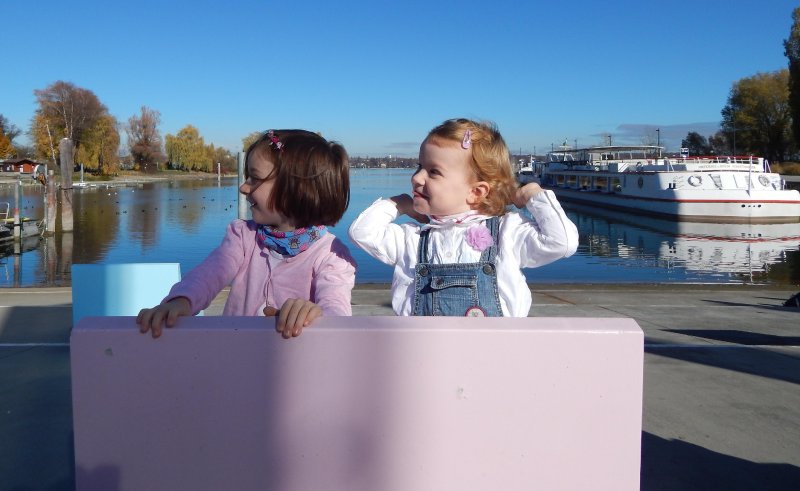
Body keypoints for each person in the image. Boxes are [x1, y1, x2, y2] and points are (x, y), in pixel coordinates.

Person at [137, 129, 356, 339]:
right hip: (234, 355)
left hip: (290, 361)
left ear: (297, 188)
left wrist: (316, 315)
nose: (243, 187)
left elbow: (337, 309)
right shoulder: (243, 236)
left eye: (255, 178)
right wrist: (181, 301)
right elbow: (209, 274)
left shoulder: (331, 255)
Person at [348, 118, 578, 317]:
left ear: (476, 192)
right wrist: (399, 203)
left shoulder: (506, 233)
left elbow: (561, 242)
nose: (416, 178)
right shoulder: (413, 239)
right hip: (426, 350)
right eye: (419, 167)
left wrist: (533, 195)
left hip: (492, 351)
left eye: (433, 171)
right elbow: (362, 233)